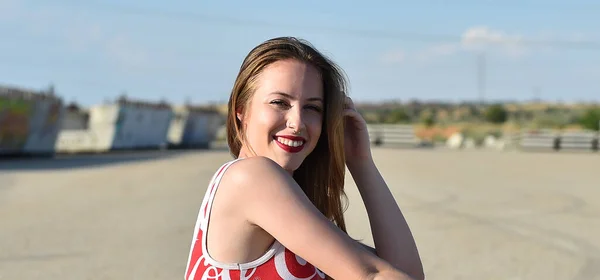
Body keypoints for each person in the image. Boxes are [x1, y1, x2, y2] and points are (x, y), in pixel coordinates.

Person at [184, 36, 424, 280]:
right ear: (241, 111)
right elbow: (372, 275)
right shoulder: (250, 177)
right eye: (279, 102)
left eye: (312, 108)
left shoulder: (290, 215)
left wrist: (361, 163)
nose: (297, 123)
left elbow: (405, 273)